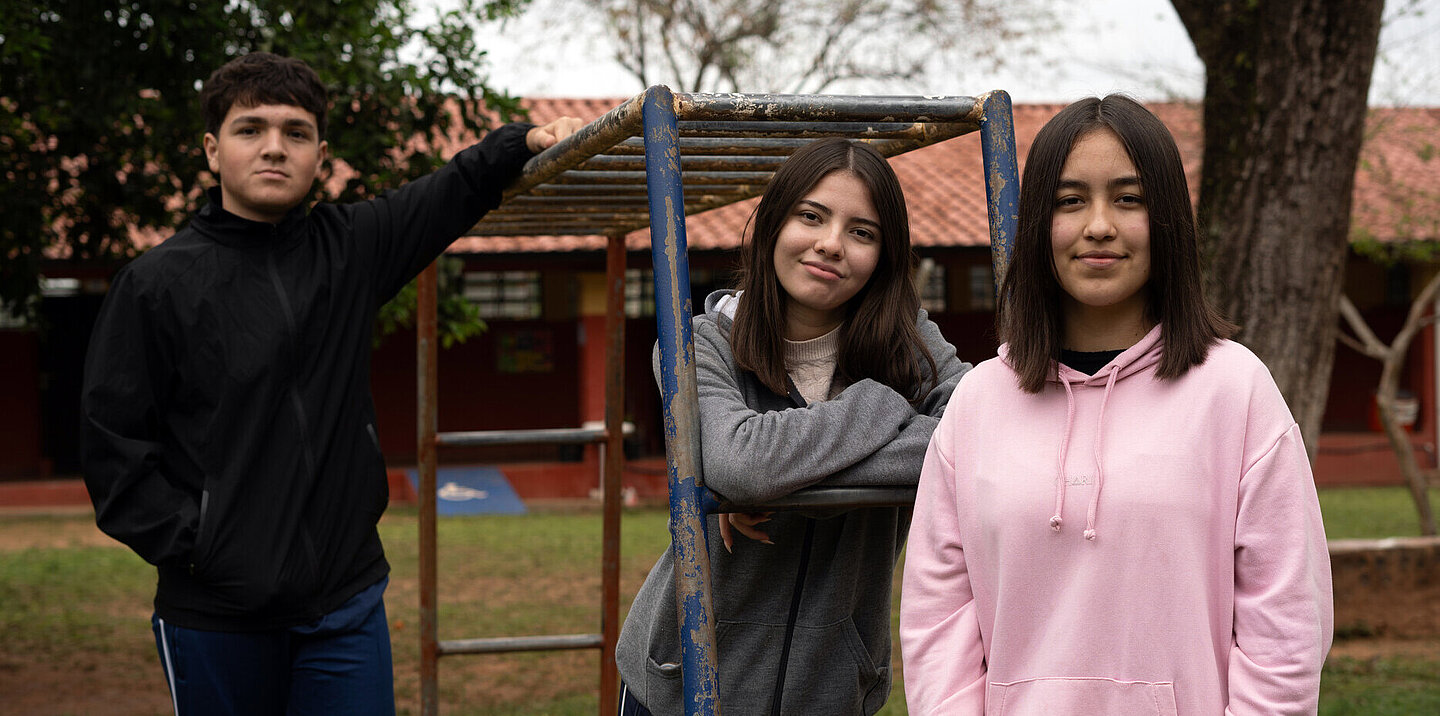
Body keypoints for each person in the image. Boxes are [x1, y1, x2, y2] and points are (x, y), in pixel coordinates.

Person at [79, 52, 579, 716]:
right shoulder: (153, 285)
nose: (274, 147)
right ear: (212, 149)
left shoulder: (350, 250)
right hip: (215, 615)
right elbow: (113, 448)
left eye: (296, 132)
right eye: (250, 129)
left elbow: (453, 189)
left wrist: (522, 140)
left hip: (345, 604)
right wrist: (204, 548)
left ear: (319, 155)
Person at [899, 95, 1333, 715]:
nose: (1099, 225)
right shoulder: (979, 402)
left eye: (1129, 199)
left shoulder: (1234, 389)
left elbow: (1285, 623)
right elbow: (937, 622)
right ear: (1037, 224)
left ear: (1167, 220)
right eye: (1070, 201)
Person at [615, 137, 972, 715]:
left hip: (831, 687)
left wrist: (786, 484)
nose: (831, 244)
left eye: (862, 232)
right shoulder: (698, 344)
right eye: (811, 216)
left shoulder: (908, 341)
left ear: (884, 254)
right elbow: (744, 465)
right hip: (684, 685)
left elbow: (976, 432)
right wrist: (885, 403)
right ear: (773, 223)